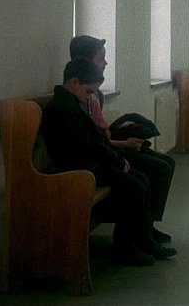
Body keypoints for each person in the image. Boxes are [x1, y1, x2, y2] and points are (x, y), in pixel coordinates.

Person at [40, 58, 177, 266]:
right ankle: (125, 247)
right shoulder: (61, 109)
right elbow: (87, 146)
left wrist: (117, 157)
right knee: (135, 185)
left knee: (141, 179)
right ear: (74, 82)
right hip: (78, 169)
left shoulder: (70, 103)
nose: (89, 97)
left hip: (87, 163)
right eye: (88, 92)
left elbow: (95, 139)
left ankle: (143, 238)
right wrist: (117, 160)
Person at [69, 35, 175, 245]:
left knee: (166, 162)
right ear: (86, 62)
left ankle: (148, 225)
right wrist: (124, 145)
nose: (106, 63)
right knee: (157, 169)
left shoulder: (90, 95)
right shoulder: (82, 98)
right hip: (105, 153)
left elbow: (101, 134)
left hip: (109, 145)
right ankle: (142, 231)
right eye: (101, 59)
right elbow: (94, 142)